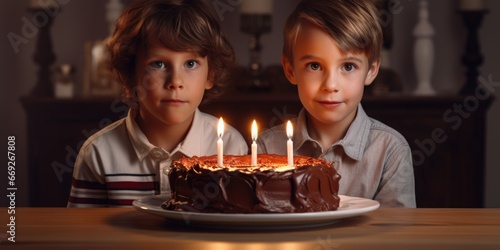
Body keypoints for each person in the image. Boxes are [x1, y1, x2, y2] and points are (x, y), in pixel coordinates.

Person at [68, 0, 248, 207]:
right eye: (158, 64)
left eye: (190, 63)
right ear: (130, 74)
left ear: (211, 75)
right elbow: (84, 235)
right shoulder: (98, 153)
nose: (175, 82)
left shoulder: (231, 147)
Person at [257, 0, 416, 207]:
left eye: (348, 66)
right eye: (314, 66)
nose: (331, 85)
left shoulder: (390, 151)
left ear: (371, 70)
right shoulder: (265, 148)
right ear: (290, 70)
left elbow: (395, 234)